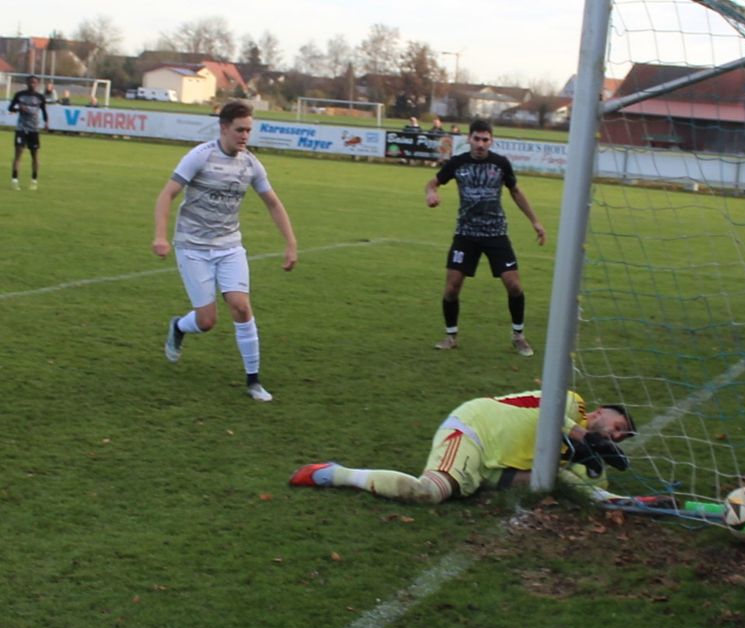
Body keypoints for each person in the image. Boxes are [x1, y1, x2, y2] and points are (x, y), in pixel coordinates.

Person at [152, 100, 298, 402]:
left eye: (249, 130)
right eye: (239, 130)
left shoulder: (251, 164)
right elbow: (167, 194)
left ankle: (253, 381)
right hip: (192, 245)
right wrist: (160, 236)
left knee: (242, 307)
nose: (245, 136)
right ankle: (179, 326)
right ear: (223, 128)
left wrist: (291, 243)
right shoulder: (200, 156)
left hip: (229, 246)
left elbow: (273, 202)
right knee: (206, 321)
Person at [289, 389, 635, 503]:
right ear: (600, 413)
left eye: (621, 438)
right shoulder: (572, 401)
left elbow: (563, 481)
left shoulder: (564, 455)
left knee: (549, 480)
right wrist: (588, 441)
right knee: (428, 492)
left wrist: (625, 501)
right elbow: (553, 417)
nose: (616, 436)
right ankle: (334, 474)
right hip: (474, 429)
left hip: (490, 466)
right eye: (618, 427)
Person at [424, 119, 546, 356]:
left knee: (514, 286)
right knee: (451, 288)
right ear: (469, 139)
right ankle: (451, 336)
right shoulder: (457, 163)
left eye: (485, 140)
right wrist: (431, 193)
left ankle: (518, 336)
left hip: (496, 234)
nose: (480, 144)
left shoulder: (500, 164)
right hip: (466, 235)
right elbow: (433, 182)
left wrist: (535, 221)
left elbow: (516, 192)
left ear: (492, 141)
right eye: (477, 139)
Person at [8, 75, 49, 191]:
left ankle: (34, 180)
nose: (32, 84)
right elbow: (10, 108)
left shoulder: (40, 97)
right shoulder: (19, 95)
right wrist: (18, 109)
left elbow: (44, 111)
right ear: (27, 83)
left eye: (34, 82)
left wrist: (46, 122)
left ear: (37, 84)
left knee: (35, 155)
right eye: (30, 82)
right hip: (21, 128)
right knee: (18, 153)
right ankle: (14, 180)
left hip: (34, 129)